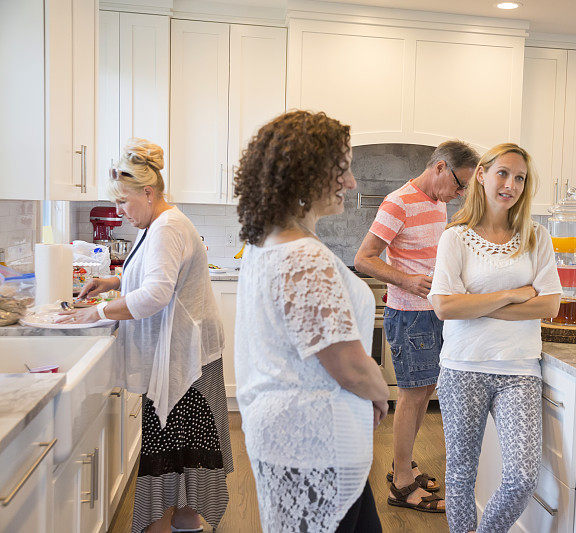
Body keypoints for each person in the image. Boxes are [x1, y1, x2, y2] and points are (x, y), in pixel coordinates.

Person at [58, 138, 232, 533]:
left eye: (123, 203)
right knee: (183, 460)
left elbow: (155, 294)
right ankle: (186, 524)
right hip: (184, 355)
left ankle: (167, 525)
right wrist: (111, 281)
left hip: (183, 360)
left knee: (171, 461)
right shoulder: (159, 223)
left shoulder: (167, 227)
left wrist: (94, 314)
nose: (119, 212)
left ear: (148, 192)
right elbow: (150, 275)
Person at [233, 110, 389, 532]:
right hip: (313, 444)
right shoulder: (303, 255)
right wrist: (379, 394)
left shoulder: (267, 242)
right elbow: (349, 364)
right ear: (306, 175)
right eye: (343, 169)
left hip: (297, 438)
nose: (352, 181)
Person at [428, 143, 562, 532]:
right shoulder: (455, 238)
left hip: (519, 369)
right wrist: (510, 294)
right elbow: (445, 307)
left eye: (520, 177)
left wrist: (475, 303)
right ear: (482, 175)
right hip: (463, 366)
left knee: (522, 476)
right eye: (503, 173)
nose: (511, 184)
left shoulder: (537, 237)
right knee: (460, 476)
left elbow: (550, 305)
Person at [354, 139, 478, 512]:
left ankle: (402, 466)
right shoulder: (398, 203)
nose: (460, 193)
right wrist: (407, 280)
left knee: (424, 392)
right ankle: (402, 487)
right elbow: (364, 259)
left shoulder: (436, 203)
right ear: (439, 167)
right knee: (411, 395)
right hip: (409, 314)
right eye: (459, 184)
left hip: (433, 313)